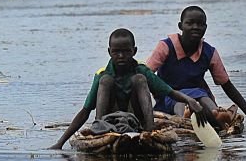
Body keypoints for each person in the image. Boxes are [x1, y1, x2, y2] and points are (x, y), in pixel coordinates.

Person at [50, 28, 207, 149]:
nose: (121, 56)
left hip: (135, 122)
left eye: (126, 51)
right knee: (106, 81)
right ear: (109, 52)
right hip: (109, 122)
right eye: (116, 52)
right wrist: (60, 142)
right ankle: (100, 128)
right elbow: (85, 111)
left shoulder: (141, 70)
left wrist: (190, 100)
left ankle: (149, 127)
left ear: (134, 51)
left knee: (139, 79)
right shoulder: (102, 74)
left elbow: (169, 91)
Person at [146, 6, 246, 129]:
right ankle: (183, 120)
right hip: (170, 98)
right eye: (190, 23)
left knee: (203, 96)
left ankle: (218, 114)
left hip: (200, 99)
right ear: (180, 26)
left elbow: (227, 85)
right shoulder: (166, 46)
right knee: (182, 100)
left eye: (200, 24)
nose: (195, 27)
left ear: (205, 28)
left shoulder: (209, 52)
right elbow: (146, 75)